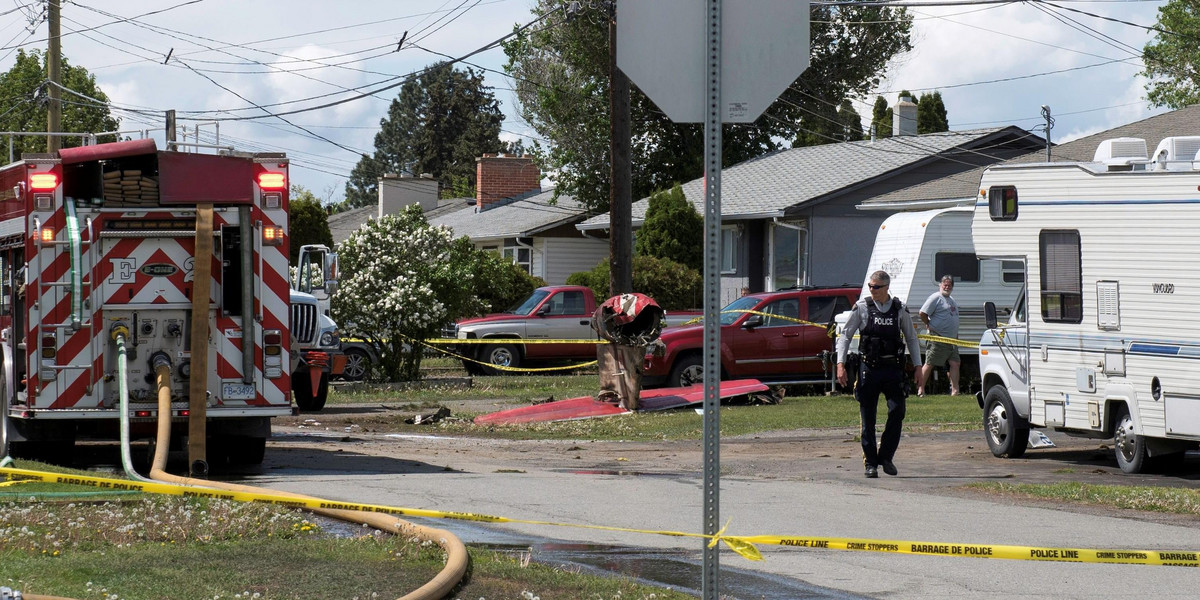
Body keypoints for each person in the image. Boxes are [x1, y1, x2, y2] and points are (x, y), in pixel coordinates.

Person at [836, 270, 922, 478]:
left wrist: (918, 366)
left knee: (897, 411)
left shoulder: (899, 309)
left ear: (886, 288)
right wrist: (840, 363)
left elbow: (911, 338)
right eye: (870, 286)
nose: (871, 290)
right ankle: (870, 463)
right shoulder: (863, 308)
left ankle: (886, 456)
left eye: (875, 287)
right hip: (869, 369)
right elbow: (846, 336)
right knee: (868, 418)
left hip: (893, 369)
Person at [918, 275, 961, 397]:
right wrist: (928, 324)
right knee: (930, 363)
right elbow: (922, 313)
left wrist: (955, 335)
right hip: (938, 337)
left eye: (949, 285)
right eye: (945, 284)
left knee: (955, 363)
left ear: (952, 286)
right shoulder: (935, 297)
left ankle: (955, 391)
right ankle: (921, 389)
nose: (947, 287)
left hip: (952, 340)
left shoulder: (951, 300)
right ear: (940, 285)